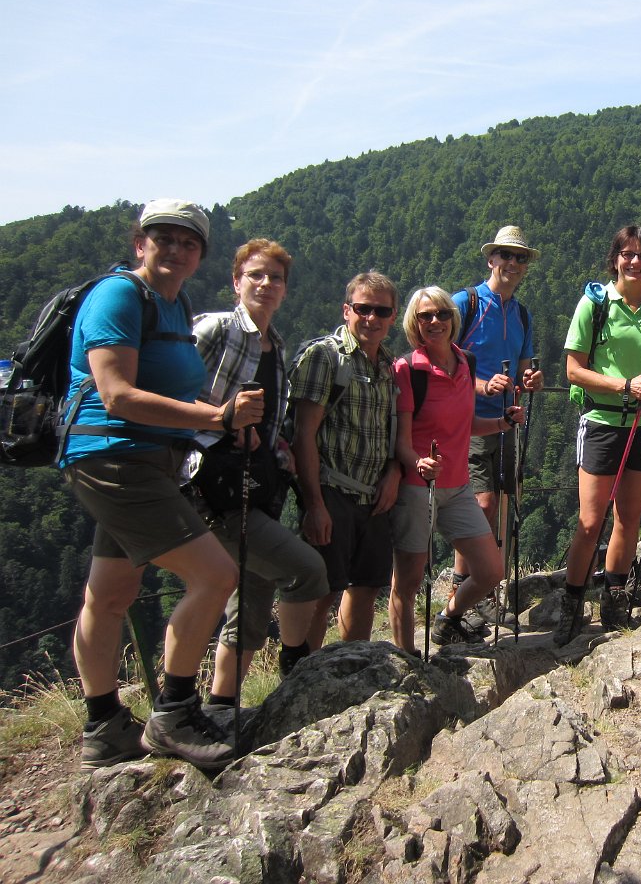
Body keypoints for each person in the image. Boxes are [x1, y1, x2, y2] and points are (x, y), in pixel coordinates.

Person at [62, 199, 264, 770]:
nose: (175, 249)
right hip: (112, 457)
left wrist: (224, 419)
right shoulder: (120, 296)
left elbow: (177, 396)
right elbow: (117, 394)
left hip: (146, 461)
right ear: (140, 242)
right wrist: (216, 419)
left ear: (200, 254)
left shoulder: (172, 306)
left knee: (111, 593)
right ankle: (174, 713)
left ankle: (103, 726)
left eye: (188, 242)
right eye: (163, 238)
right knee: (217, 574)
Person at [186, 239, 327, 705]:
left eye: (276, 278)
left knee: (249, 602)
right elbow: (166, 392)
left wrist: (276, 448)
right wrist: (223, 418)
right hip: (213, 488)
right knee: (306, 571)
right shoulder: (215, 329)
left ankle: (221, 706)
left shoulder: (275, 345)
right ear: (235, 281)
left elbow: (264, 423)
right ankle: (295, 662)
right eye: (256, 275)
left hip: (255, 487)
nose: (267, 284)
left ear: (286, 289)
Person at [558, 225, 641, 646]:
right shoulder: (594, 304)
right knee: (590, 523)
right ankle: (572, 603)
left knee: (628, 519)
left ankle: (614, 597)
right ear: (614, 258)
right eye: (627, 254)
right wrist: (623, 385)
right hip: (601, 422)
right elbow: (573, 370)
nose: (634, 262)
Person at [389, 287, 522, 650]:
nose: (436, 322)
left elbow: (465, 425)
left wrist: (501, 424)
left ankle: (448, 619)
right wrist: (418, 462)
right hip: (418, 487)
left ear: (453, 318)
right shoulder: (407, 369)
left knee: (491, 570)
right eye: (425, 316)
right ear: (414, 324)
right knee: (409, 580)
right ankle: (406, 656)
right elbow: (400, 440)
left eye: (442, 314)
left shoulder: (466, 362)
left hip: (457, 486)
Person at [290, 272, 401, 649]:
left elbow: (390, 432)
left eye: (381, 310)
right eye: (363, 308)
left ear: (393, 315)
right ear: (347, 310)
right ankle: (304, 676)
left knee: (365, 587)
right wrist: (314, 505)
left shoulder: (388, 366)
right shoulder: (323, 357)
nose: (371, 318)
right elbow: (303, 434)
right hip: (331, 489)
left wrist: (393, 472)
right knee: (321, 590)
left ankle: (352, 667)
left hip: (374, 496)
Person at [451, 225, 544, 626]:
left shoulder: (521, 313)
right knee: (482, 506)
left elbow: (525, 368)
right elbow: (445, 365)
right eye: (506, 255)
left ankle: (478, 588)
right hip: (469, 422)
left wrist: (531, 380)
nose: (512, 263)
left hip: (506, 423)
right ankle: (463, 586)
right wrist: (482, 384)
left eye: (520, 257)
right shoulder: (465, 303)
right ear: (491, 259)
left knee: (502, 506)